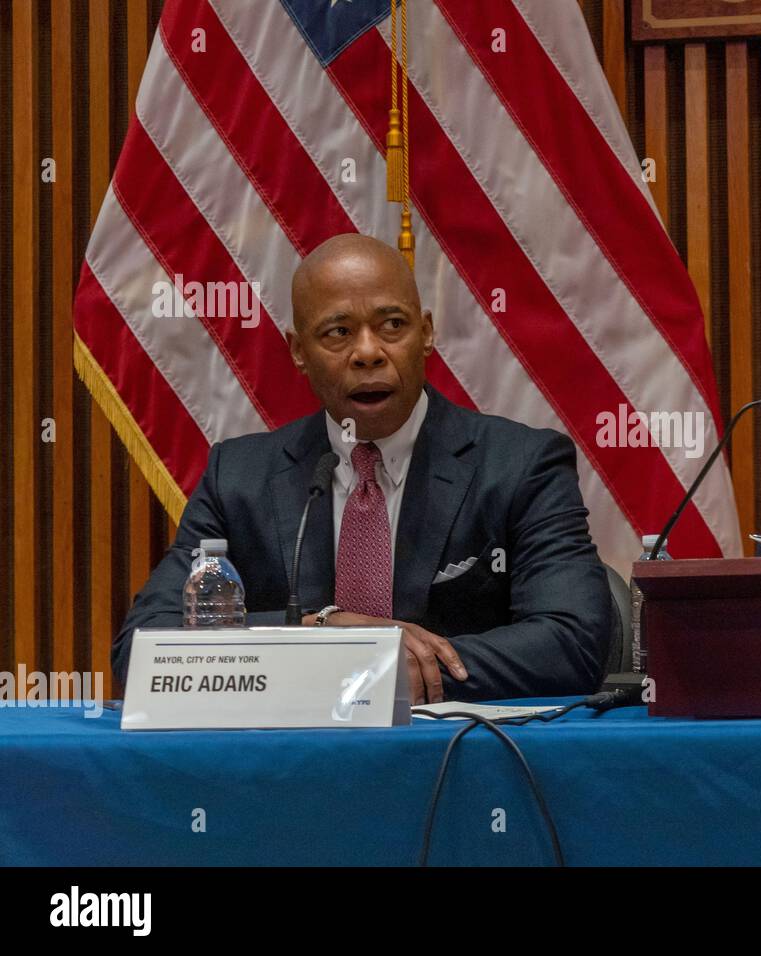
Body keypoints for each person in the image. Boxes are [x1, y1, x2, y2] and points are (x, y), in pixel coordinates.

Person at [114, 234, 612, 703]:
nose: (370, 352)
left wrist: (388, 668)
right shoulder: (239, 477)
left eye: (393, 324)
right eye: (338, 332)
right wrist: (319, 635)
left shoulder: (520, 465)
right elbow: (142, 646)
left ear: (427, 333)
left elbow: (572, 641)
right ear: (298, 352)